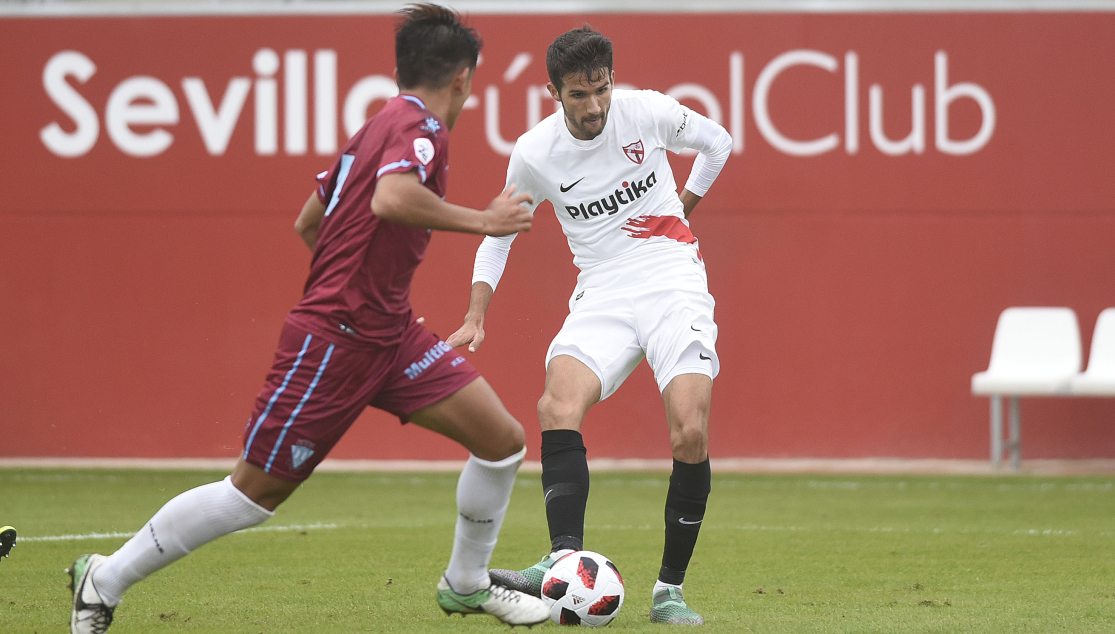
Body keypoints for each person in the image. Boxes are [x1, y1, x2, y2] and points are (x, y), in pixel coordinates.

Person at [66, 5, 550, 633]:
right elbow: (391, 197)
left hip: (389, 334)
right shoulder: (421, 126)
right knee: (251, 494)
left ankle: (465, 584)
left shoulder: (376, 124)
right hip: (337, 341)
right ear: (464, 78)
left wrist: (362, 284)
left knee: (501, 441)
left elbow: (310, 223)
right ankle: (102, 580)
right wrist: (485, 221)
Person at [447, 26, 732, 626]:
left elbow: (718, 142)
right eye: (579, 94)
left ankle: (668, 592)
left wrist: (685, 207)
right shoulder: (534, 152)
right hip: (601, 288)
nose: (596, 105)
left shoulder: (647, 112)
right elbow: (500, 234)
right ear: (553, 91)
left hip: (671, 277)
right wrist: (476, 313)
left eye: (602, 89)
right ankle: (562, 561)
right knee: (556, 405)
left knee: (689, 432)